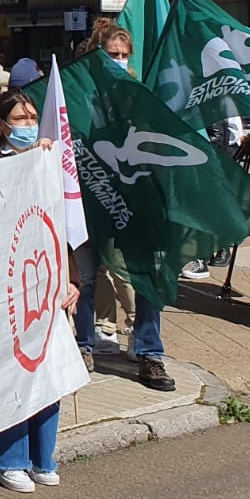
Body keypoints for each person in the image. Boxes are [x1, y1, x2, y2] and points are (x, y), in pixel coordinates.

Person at [0, 88, 79, 492]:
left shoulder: (46, 163)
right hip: (6, 285)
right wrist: (28, 160)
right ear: (1, 126)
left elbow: (59, 223)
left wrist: (71, 279)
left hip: (46, 281)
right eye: (20, 119)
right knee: (15, 369)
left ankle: (42, 455)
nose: (29, 125)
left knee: (47, 368)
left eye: (33, 117)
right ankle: (4, 456)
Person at [72, 23, 175, 392]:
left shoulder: (139, 97)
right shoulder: (76, 96)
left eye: (122, 54)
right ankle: (83, 347)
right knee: (83, 279)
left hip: (133, 202)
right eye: (110, 54)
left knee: (148, 279)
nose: (118, 60)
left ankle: (150, 353)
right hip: (87, 201)